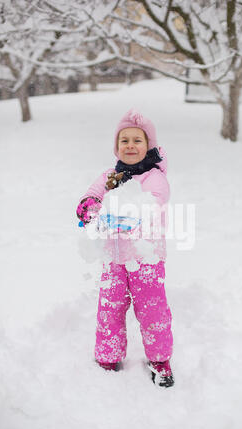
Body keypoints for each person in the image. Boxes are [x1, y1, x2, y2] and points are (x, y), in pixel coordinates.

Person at [76, 109, 174, 387]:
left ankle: (159, 360)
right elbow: (93, 194)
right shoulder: (111, 175)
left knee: (152, 311)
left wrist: (118, 217)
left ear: (148, 145)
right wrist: (89, 206)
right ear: (117, 147)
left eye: (137, 140)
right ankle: (108, 357)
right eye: (124, 141)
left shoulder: (154, 178)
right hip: (114, 257)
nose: (130, 146)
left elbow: (151, 205)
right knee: (110, 308)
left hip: (146, 258)